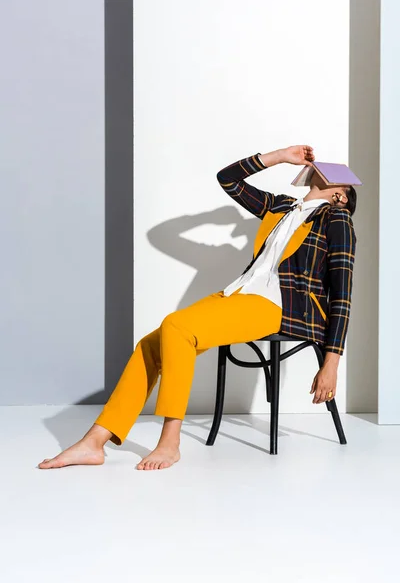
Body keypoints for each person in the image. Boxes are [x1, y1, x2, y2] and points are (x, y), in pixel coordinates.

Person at [38, 145, 357, 471]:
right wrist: (279, 157)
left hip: (281, 307)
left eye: (338, 178)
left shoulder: (337, 220)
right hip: (238, 295)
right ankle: (94, 442)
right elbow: (228, 179)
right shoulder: (282, 207)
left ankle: (170, 441)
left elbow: (343, 295)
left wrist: (331, 362)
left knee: (176, 326)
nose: (326, 169)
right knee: (152, 343)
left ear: (342, 195)